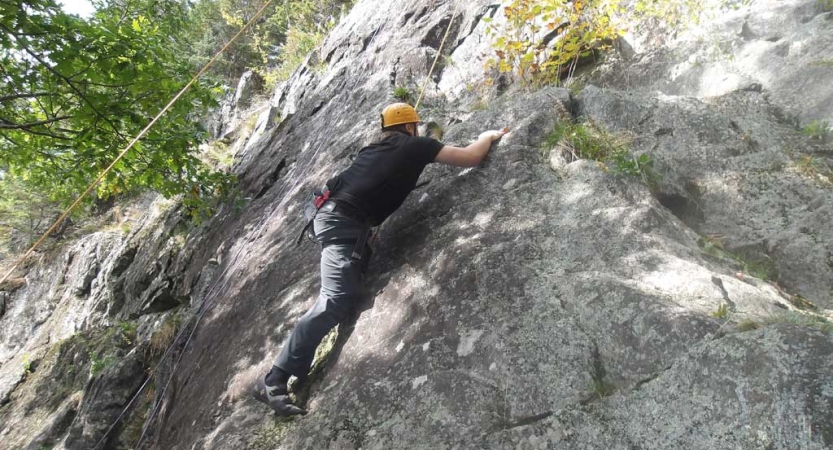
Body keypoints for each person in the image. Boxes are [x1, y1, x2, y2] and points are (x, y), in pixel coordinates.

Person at [255, 103, 507, 415]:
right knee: (336, 298)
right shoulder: (418, 145)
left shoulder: (371, 150)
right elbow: (471, 156)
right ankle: (274, 379)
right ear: (411, 127)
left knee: (348, 287)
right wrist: (487, 135)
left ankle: (292, 365)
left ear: (386, 128)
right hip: (342, 222)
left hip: (336, 218)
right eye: (415, 127)